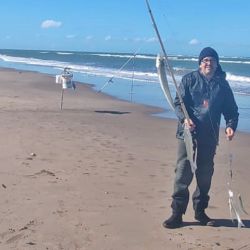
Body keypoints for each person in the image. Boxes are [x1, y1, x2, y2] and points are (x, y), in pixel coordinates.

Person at [163, 47, 239, 229]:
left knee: (205, 175)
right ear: (200, 63)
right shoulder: (189, 80)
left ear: (217, 64)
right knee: (183, 172)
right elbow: (178, 103)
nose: (209, 63)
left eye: (212, 60)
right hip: (188, 134)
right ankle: (177, 213)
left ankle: (200, 211)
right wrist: (185, 118)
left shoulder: (222, 85)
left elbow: (231, 111)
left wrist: (230, 126)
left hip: (209, 137)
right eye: (205, 60)